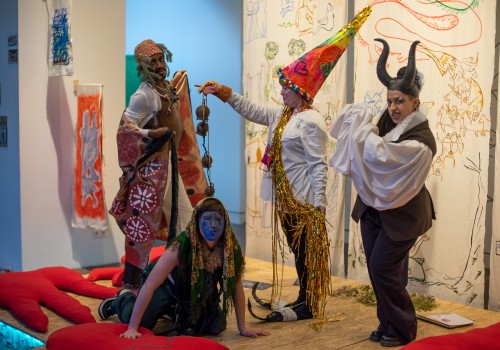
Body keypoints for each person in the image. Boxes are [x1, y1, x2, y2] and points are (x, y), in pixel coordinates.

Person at [197, 7, 371, 322]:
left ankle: (309, 302)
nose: (281, 92)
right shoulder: (283, 115)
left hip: (302, 202)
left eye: (286, 88)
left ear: (300, 91)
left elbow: (320, 165)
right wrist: (223, 92)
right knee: (296, 250)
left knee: (306, 252)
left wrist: (318, 204)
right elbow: (253, 110)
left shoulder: (310, 121)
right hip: (285, 200)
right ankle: (306, 297)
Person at [329, 39, 436, 347]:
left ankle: (403, 328)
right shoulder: (389, 120)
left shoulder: (421, 140)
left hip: (403, 215)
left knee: (381, 268)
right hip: (374, 210)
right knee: (384, 272)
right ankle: (387, 322)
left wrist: (363, 131)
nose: (393, 107)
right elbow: (369, 148)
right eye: (390, 101)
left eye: (400, 101)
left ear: (415, 102)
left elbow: (381, 155)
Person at [99, 197, 270, 338]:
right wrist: (132, 328)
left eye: (218, 220)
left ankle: (176, 310)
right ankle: (121, 300)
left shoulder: (229, 248)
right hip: (166, 286)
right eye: (207, 220)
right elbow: (151, 284)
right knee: (143, 321)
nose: (213, 225)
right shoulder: (180, 247)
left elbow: (236, 285)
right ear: (197, 222)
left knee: (215, 326)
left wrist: (243, 328)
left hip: (197, 288)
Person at [109, 39, 205, 290]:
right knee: (145, 228)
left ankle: (180, 278)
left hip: (170, 166)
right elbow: (125, 130)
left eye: (162, 59)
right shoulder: (142, 95)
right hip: (153, 173)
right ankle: (136, 287)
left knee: (185, 219)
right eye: (154, 61)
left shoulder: (164, 88)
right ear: (143, 65)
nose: (161, 65)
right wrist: (152, 134)